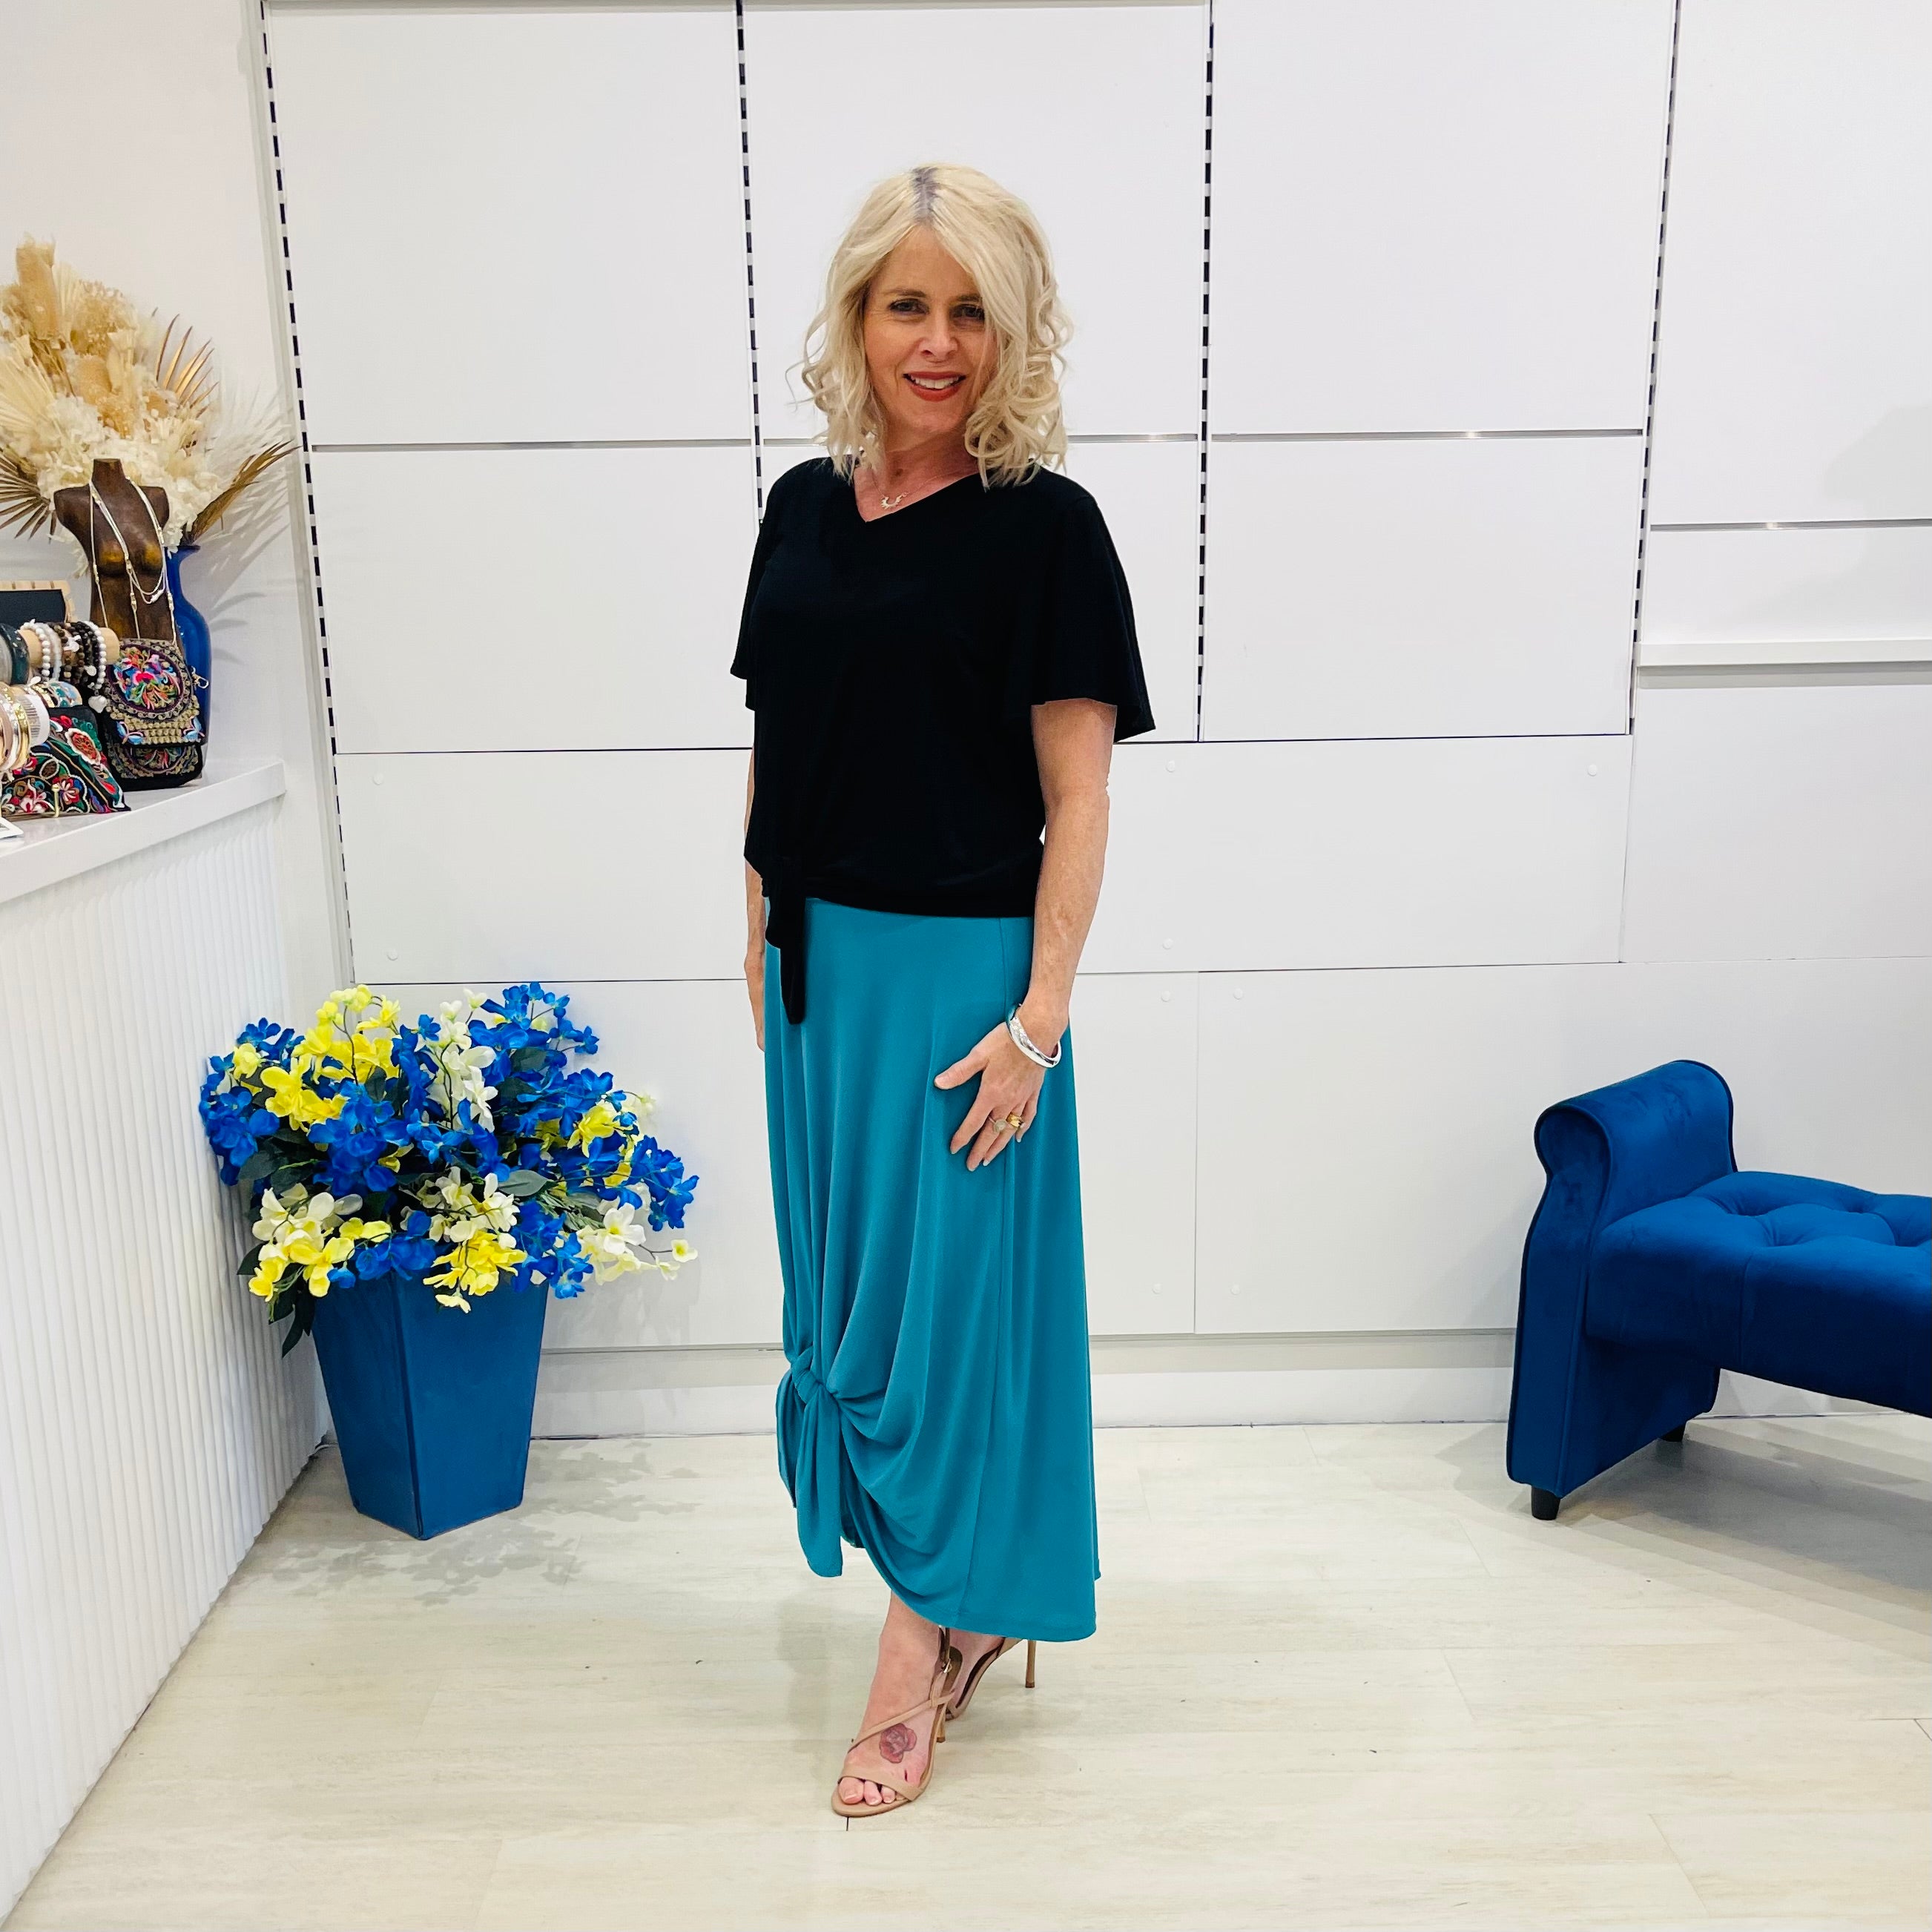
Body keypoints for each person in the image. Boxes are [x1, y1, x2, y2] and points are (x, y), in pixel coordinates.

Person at [731, 161, 1154, 1818]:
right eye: (907, 304)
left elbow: (1080, 798)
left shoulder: (1047, 529)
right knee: (846, 1310)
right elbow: (774, 748)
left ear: (1013, 329)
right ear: (857, 316)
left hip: (967, 987)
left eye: (971, 309)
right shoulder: (797, 509)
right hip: (816, 976)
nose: (937, 341)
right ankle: (965, 1606)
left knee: (950, 1324)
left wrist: (1038, 1021)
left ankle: (916, 1653)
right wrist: (755, 936)